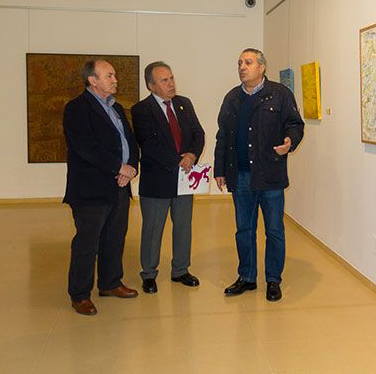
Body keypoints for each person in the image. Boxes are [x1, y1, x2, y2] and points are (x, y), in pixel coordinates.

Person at [214, 48, 304, 301]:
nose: (242, 67)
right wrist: (219, 170)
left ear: (262, 67)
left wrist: (290, 142)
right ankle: (247, 277)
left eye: (248, 62)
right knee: (244, 230)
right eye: (239, 63)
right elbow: (223, 136)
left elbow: (295, 124)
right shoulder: (232, 98)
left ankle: (273, 279)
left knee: (274, 230)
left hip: (270, 175)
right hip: (241, 176)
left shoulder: (280, 94)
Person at [63, 59, 140, 316]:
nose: (115, 79)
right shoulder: (76, 108)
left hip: (120, 185)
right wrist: (119, 167)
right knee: (87, 243)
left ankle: (110, 283)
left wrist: (131, 168)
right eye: (109, 76)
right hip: (91, 189)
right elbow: (86, 147)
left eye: (114, 75)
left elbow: (130, 142)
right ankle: (80, 295)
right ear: (92, 80)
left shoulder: (116, 107)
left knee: (115, 238)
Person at [131, 62, 205, 294]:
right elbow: (148, 144)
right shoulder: (141, 110)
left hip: (184, 178)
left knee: (183, 226)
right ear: (151, 85)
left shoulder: (184, 104)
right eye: (164, 80)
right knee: (153, 229)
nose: (171, 83)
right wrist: (178, 161)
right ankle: (149, 274)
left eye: (171, 78)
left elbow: (198, 133)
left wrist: (192, 155)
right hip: (157, 180)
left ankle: (180, 270)